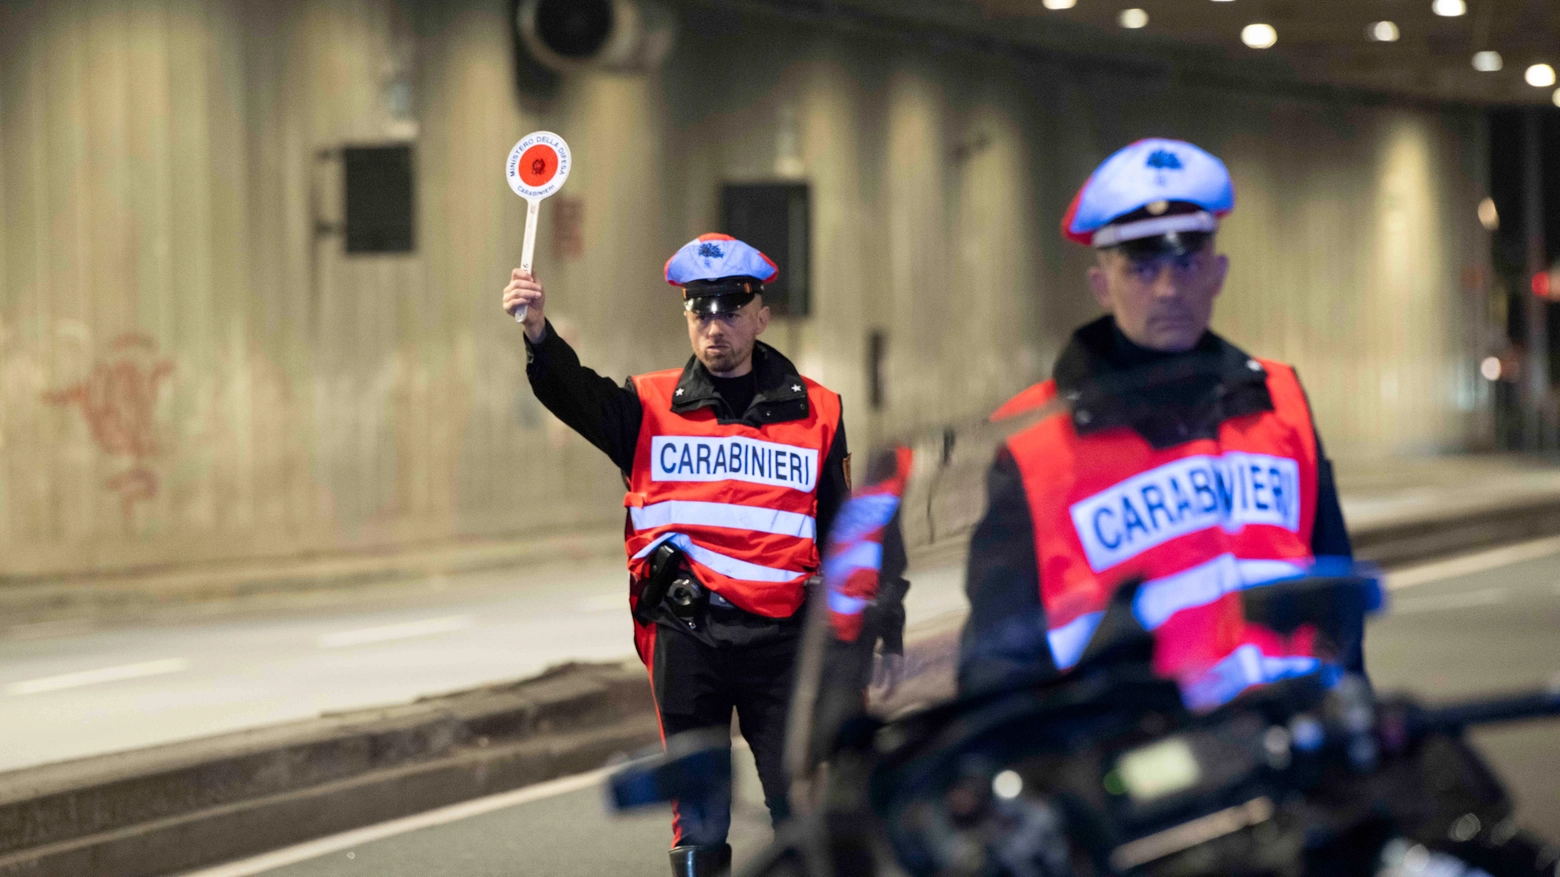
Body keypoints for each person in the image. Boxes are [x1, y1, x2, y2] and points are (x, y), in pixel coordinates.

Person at [503, 233, 903, 877]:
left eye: (729, 309)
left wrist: (867, 635)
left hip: (784, 642)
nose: (713, 325)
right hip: (689, 636)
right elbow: (572, 392)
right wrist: (539, 332)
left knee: (799, 805)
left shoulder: (819, 412)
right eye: (700, 311)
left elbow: (843, 537)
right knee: (698, 815)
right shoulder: (648, 406)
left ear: (761, 314)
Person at [957, 138, 1357, 705]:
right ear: (1103, 284)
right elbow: (998, 655)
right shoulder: (1032, 440)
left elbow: (1336, 589)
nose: (1168, 289)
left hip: (1287, 750)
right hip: (1128, 765)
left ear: (1217, 272)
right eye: (1142, 268)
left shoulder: (1281, 402)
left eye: (1186, 263)